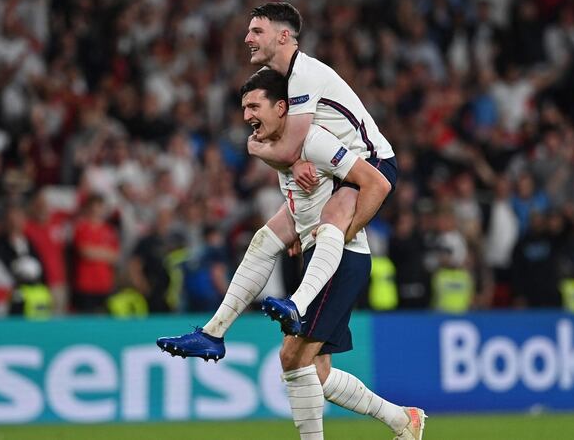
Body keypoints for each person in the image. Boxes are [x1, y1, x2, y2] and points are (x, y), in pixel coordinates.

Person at [159, 69, 425, 440]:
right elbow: (274, 160)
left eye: (255, 105)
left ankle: (237, 326)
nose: (247, 115)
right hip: (317, 256)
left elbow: (376, 183)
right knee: (316, 371)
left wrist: (338, 230)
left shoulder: (315, 139)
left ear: (282, 106)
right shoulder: (274, 145)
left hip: (339, 259)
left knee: (291, 359)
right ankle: (402, 419)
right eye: (243, 108)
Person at [218, 1, 399, 336]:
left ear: (284, 36)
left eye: (257, 31)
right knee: (265, 239)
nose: (247, 38)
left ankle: (297, 301)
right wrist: (295, 158)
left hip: (369, 161)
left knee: (331, 224)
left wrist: (255, 147)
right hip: (334, 166)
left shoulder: (304, 74)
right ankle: (213, 332)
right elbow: (294, 149)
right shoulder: (287, 79)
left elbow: (287, 147)